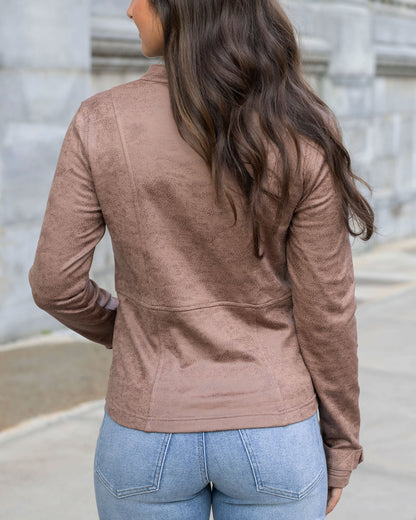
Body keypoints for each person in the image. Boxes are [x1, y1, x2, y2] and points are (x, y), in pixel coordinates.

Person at [28, 0, 376, 518]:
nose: (128, 9)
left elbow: (55, 283)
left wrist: (131, 330)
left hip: (146, 427)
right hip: (275, 432)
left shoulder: (101, 120)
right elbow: (327, 312)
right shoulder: (301, 128)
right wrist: (342, 441)